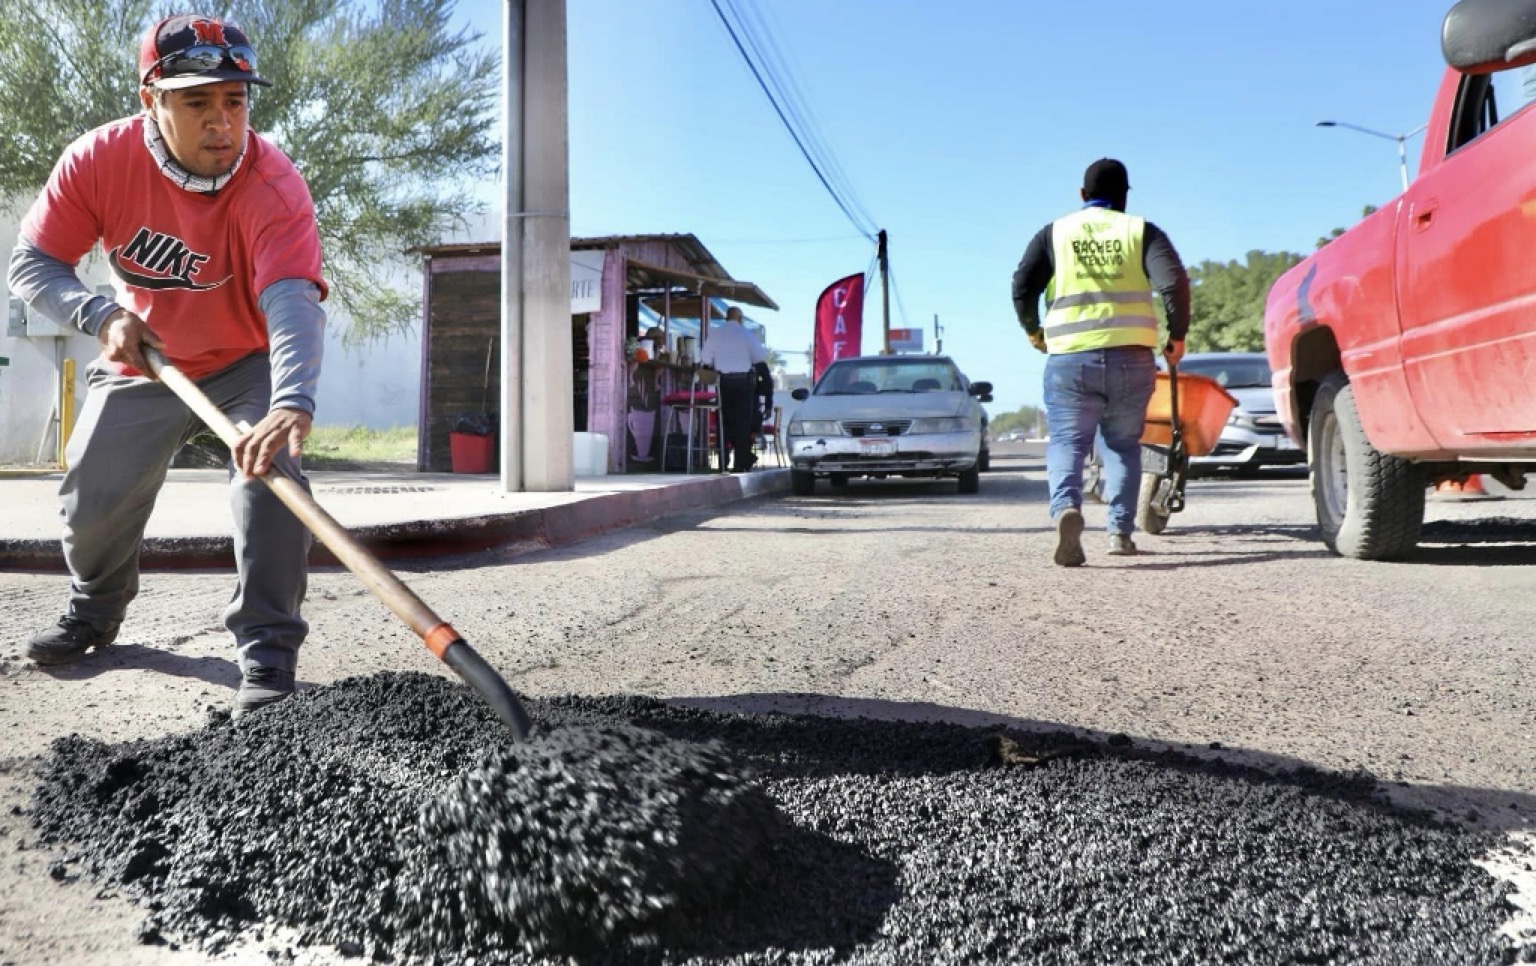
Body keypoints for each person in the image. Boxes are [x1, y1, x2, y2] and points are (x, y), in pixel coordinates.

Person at [6, 14, 328, 717]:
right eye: (197, 102)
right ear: (151, 98)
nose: (223, 123)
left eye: (235, 102)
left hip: (246, 360)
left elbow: (292, 299)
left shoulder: (273, 186)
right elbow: (32, 265)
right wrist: (99, 315)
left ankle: (268, 656)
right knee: (90, 497)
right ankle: (96, 609)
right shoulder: (99, 160)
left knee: (269, 481)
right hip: (147, 357)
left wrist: (291, 400)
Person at [1011, 158, 1189, 567]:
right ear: (1126, 195)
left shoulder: (1053, 233)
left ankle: (1066, 510)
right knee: (1123, 445)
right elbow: (1174, 282)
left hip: (1071, 359)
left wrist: (1033, 330)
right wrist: (1176, 336)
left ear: (1081, 195)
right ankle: (1119, 534)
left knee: (1068, 444)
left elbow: (1022, 284)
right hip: (1132, 358)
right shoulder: (1141, 231)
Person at [699, 306, 771, 472]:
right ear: (740, 319)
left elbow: (705, 359)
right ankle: (741, 464)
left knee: (723, 422)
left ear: (726, 318)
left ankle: (723, 461)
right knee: (742, 424)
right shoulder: (747, 335)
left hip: (723, 383)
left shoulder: (716, 334)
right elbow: (759, 357)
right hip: (744, 383)